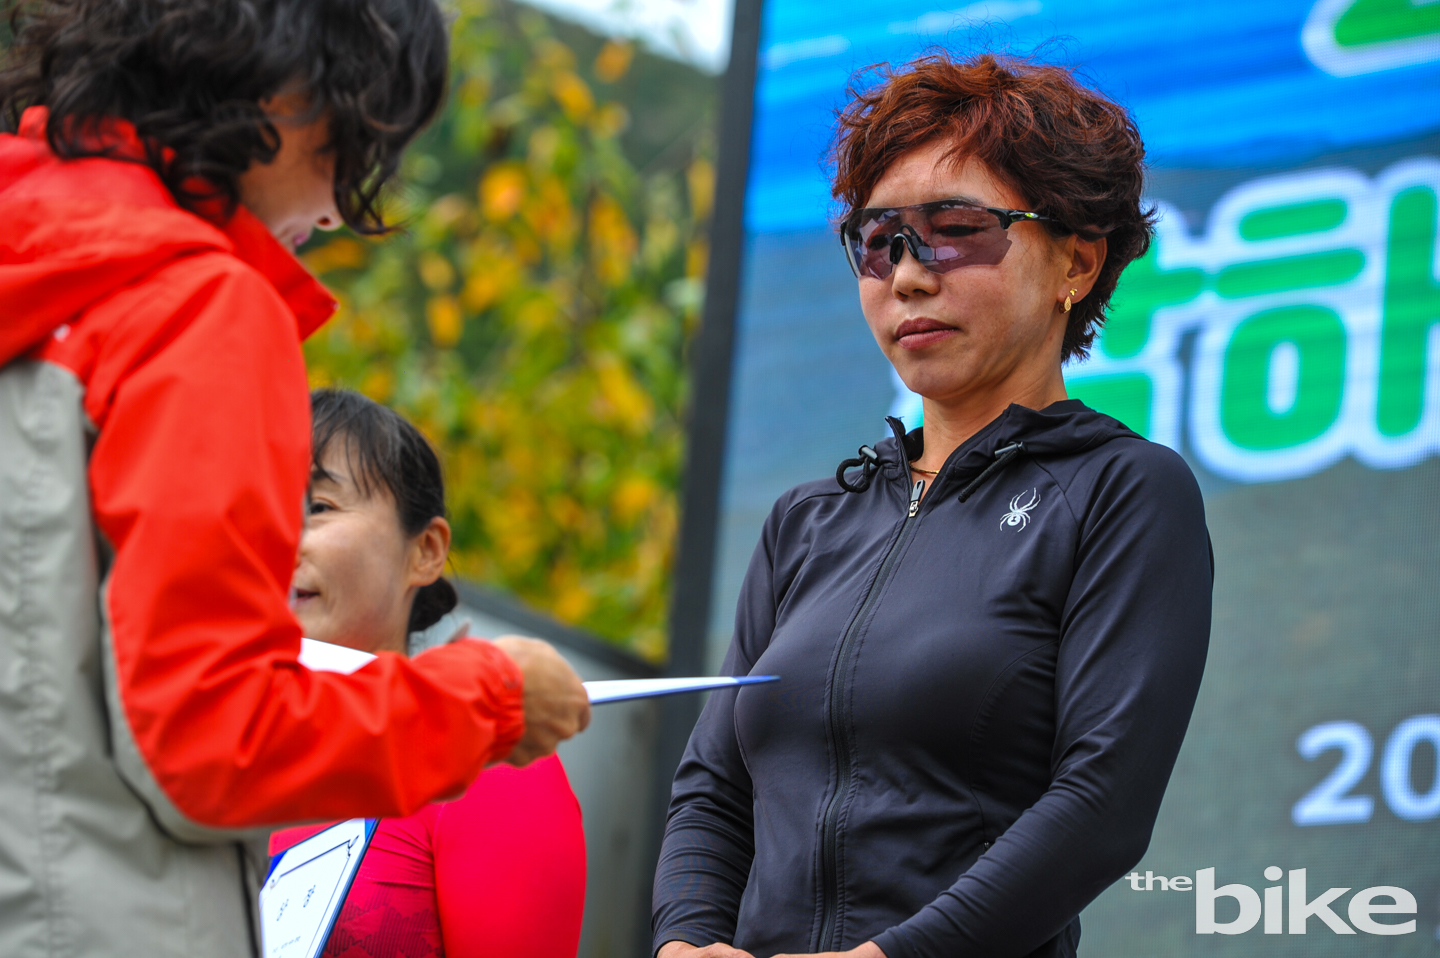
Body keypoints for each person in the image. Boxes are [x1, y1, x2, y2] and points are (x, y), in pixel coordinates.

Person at [0, 3, 589, 956]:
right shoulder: (197, 309)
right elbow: (211, 742)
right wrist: (487, 701)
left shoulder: (34, 263)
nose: (340, 207)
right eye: (361, 143)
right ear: (286, 89)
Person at [652, 53, 1212, 958]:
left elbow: (1102, 802)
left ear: (1076, 262)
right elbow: (713, 790)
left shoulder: (1123, 491)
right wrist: (685, 941)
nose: (908, 275)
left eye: (956, 231)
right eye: (880, 241)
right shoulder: (805, 522)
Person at [269, 388, 587, 958]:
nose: (278, 537)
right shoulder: (213, 757)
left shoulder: (489, 758)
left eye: (317, 507)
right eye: (263, 507)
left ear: (426, 551)